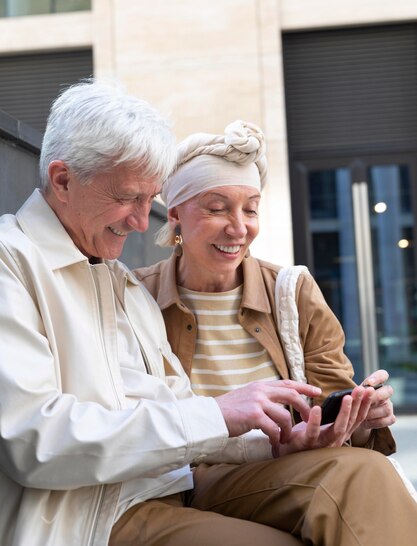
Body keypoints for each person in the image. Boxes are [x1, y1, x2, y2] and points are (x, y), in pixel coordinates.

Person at [0, 84, 415, 546]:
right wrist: (219, 414)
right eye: (129, 198)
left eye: (149, 200)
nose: (142, 222)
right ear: (62, 180)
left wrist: (274, 444)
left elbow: (178, 409)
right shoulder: (11, 264)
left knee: (365, 476)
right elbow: (35, 441)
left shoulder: (118, 284)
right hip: (93, 512)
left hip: (173, 486)